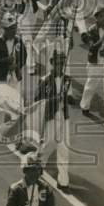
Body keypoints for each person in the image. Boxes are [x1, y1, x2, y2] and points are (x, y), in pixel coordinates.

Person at [36, 50, 73, 192]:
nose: (60, 66)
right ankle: (38, 166)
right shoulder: (44, 81)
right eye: (58, 63)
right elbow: (38, 101)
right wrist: (54, 99)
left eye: (62, 63)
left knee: (64, 148)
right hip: (50, 117)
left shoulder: (67, 79)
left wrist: (69, 98)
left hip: (64, 116)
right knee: (47, 145)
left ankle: (63, 181)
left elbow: (67, 97)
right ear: (52, 63)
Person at [80, 5, 104, 120]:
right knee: (90, 86)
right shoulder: (91, 30)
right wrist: (102, 40)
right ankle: (84, 105)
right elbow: (92, 47)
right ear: (96, 18)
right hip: (94, 63)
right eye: (101, 16)